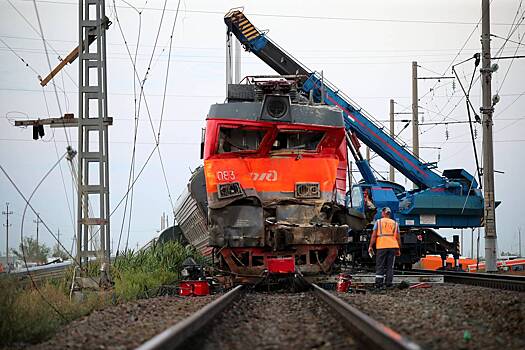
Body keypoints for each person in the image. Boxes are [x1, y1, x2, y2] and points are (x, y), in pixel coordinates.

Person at [368, 207, 401, 289]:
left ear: (383, 213)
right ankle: (388, 284)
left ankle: (379, 284)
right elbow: (398, 238)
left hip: (381, 246)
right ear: (389, 214)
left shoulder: (378, 222)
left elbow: (374, 235)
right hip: (392, 246)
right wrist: (398, 249)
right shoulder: (395, 223)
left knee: (380, 265)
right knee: (390, 266)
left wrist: (370, 246)